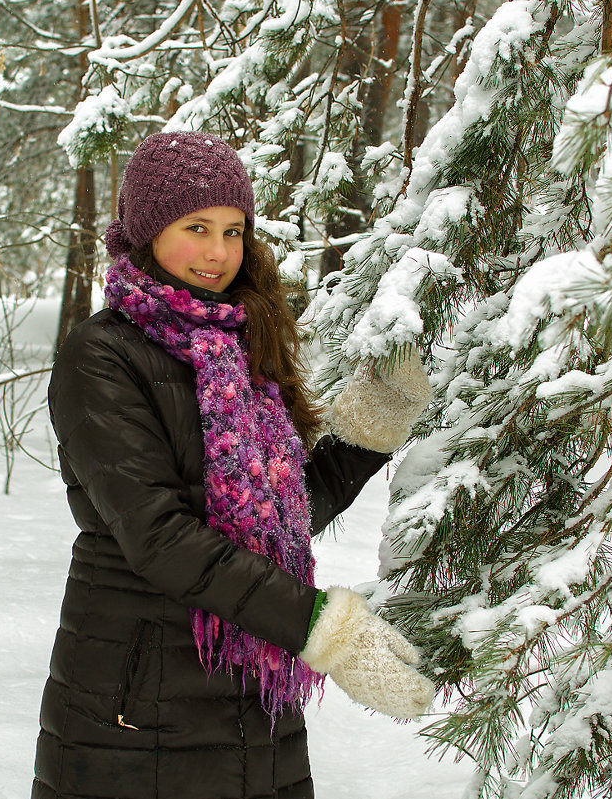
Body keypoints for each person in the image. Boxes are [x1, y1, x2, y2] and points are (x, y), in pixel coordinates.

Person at [35, 131, 435, 799]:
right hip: (137, 707)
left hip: (252, 701)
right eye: (196, 227)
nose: (218, 252)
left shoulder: (237, 345)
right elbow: (161, 537)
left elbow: (278, 516)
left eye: (232, 230)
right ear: (148, 229)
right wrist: (318, 628)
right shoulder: (101, 356)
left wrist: (372, 425)